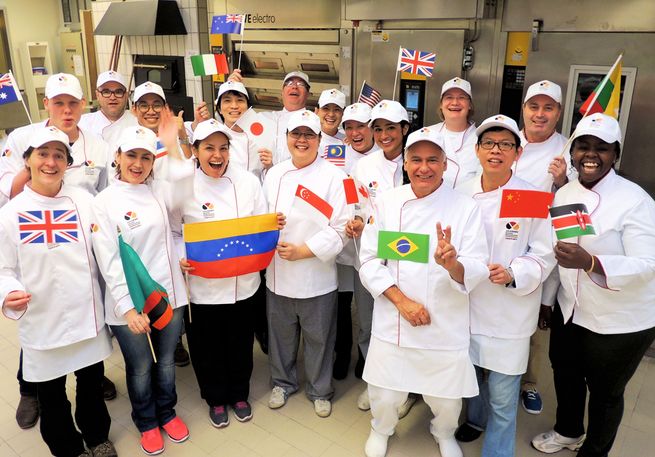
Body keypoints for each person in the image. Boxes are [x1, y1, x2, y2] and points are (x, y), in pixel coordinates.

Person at [359, 127, 488, 457]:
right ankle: (381, 428)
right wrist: (402, 302)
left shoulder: (465, 208)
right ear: (405, 163)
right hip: (396, 317)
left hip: (444, 322)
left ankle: (443, 432)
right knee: (385, 394)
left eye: (433, 159)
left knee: (446, 398)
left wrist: (452, 264)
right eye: (416, 159)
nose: (424, 167)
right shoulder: (388, 203)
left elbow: (477, 267)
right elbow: (370, 260)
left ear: (445, 165)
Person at [532, 113, 655, 457]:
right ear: (571, 152)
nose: (590, 155)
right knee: (566, 374)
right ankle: (568, 432)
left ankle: (595, 452)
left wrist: (590, 262)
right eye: (582, 146)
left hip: (620, 318)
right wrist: (548, 300)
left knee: (605, 392)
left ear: (615, 154)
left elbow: (648, 264)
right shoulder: (565, 193)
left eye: (601, 149)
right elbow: (558, 251)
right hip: (571, 309)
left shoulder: (635, 201)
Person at [0, 72, 116, 427]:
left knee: (88, 343)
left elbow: (107, 190)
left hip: (84, 244)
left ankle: (91, 385)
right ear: (46, 104)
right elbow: (7, 187)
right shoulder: (21, 137)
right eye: (58, 103)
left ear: (83, 105)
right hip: (34, 242)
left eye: (73, 103)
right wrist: (38, 176)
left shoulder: (95, 144)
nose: (66, 110)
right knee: (43, 329)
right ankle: (29, 390)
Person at [456, 115, 556, 455]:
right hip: (467, 304)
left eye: (505, 144)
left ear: (517, 153)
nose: (495, 151)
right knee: (471, 378)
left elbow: (545, 253)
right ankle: (474, 419)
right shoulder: (460, 192)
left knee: (502, 393)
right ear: (477, 150)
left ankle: (497, 451)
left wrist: (515, 272)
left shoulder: (531, 196)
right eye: (488, 143)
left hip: (508, 310)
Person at [174, 119, 284, 427]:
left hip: (243, 284)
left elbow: (261, 221)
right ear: (195, 150)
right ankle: (215, 398)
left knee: (239, 342)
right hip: (202, 284)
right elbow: (172, 232)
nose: (217, 154)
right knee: (206, 346)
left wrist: (273, 225)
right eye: (209, 147)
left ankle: (239, 393)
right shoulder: (183, 185)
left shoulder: (247, 181)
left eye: (223, 147)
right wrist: (181, 255)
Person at [91, 123, 190, 455]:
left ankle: (168, 412)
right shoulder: (103, 202)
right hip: (129, 301)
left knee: (164, 361)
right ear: (117, 157)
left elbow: (185, 193)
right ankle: (147, 421)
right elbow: (109, 261)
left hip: (167, 296)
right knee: (141, 367)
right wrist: (129, 308)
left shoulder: (159, 190)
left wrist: (171, 143)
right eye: (131, 155)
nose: (138, 164)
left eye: (146, 157)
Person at [262, 109, 349, 418]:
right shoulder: (274, 174)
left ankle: (320, 389)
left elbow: (342, 229)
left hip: (317, 275)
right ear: (287, 138)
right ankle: (282, 383)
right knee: (281, 336)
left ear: (319, 140)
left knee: (319, 338)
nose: (301, 140)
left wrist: (304, 250)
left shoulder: (336, 177)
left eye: (308, 135)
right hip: (278, 274)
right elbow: (260, 219)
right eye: (296, 134)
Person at [351, 99, 418, 418]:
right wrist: (358, 220)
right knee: (370, 324)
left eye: (391, 127)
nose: (383, 134)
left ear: (405, 129)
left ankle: (409, 390)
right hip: (375, 254)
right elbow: (359, 204)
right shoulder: (364, 166)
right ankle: (376, 383)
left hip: (412, 255)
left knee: (407, 324)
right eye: (377, 128)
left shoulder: (417, 160)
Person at [515, 80, 577, 414]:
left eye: (548, 108)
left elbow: (579, 212)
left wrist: (563, 184)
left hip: (541, 250)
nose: (540, 115)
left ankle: (529, 383)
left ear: (558, 113)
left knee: (534, 325)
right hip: (502, 243)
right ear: (523, 109)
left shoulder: (568, 151)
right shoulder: (507, 140)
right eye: (533, 107)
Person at [333, 103, 379, 408]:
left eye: (361, 126)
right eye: (348, 127)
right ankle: (342, 355)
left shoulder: (389, 160)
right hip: (342, 241)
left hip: (371, 249)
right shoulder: (338, 155)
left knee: (369, 315)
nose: (354, 133)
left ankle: (369, 365)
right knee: (340, 304)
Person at [229, 69, 310, 164]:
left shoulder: (312, 121)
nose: (294, 87)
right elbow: (234, 124)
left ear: (308, 94)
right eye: (289, 83)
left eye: (301, 84)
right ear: (282, 92)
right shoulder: (264, 117)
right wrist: (231, 87)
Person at [212, 80, 272, 178]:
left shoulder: (261, 135)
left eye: (240, 100)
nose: (234, 106)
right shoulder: (214, 136)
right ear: (219, 109)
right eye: (227, 101)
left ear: (248, 107)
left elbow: (267, 177)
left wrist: (270, 167)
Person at [427, 77, 480, 187]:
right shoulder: (427, 134)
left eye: (461, 98)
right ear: (441, 104)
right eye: (449, 97)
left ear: (469, 105)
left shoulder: (482, 139)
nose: (455, 102)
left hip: (467, 202)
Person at [79, 70, 138, 151]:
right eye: (106, 92)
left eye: (118, 92)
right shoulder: (83, 123)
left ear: (126, 95)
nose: (112, 97)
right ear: (97, 95)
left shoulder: (137, 122)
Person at [317, 88, 346, 155]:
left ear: (343, 113)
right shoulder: (309, 138)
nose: (331, 114)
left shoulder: (349, 140)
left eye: (337, 109)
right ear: (317, 111)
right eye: (326, 108)